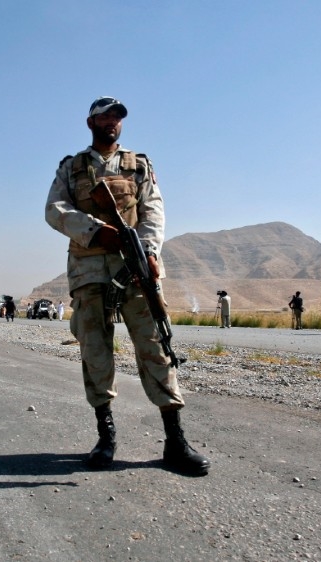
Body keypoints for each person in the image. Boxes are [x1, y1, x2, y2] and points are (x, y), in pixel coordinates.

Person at [45, 96, 209, 476]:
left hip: (134, 268)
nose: (112, 123)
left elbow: (153, 208)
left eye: (117, 118)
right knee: (95, 350)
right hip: (89, 269)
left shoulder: (139, 165)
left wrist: (148, 251)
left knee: (154, 345)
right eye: (105, 117)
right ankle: (106, 437)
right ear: (91, 123)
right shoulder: (71, 167)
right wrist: (95, 232)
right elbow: (54, 209)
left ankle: (175, 440)